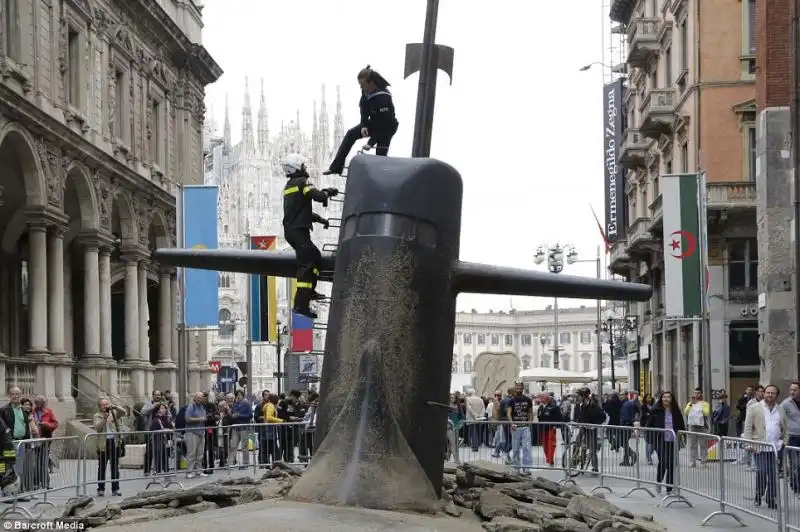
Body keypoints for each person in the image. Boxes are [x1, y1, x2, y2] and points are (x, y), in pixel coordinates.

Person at [282, 153, 338, 319]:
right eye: (303, 165)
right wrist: (328, 192)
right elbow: (318, 196)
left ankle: (310, 291)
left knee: (316, 258)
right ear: (296, 167)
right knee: (306, 265)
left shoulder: (290, 185)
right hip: (298, 232)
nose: (305, 168)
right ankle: (300, 305)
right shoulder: (302, 182)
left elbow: (301, 211)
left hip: (294, 231)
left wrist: (320, 220)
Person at [324, 65, 399, 176]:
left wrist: (370, 142)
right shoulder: (366, 92)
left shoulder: (384, 98)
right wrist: (364, 125)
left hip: (387, 127)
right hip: (373, 122)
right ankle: (336, 167)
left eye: (363, 85)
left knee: (380, 154)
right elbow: (364, 109)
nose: (361, 87)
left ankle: (381, 177)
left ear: (371, 83)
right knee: (351, 134)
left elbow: (383, 125)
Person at [743, 384, 787, 509]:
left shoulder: (781, 409)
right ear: (764, 394)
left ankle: (771, 498)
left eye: (772, 393)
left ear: (776, 396)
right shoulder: (754, 408)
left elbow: (785, 428)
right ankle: (758, 494)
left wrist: (784, 442)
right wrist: (748, 443)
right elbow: (748, 427)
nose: (769, 395)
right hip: (759, 447)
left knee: (773, 475)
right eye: (768, 392)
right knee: (761, 471)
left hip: (775, 448)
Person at [645, 391, 685, 494]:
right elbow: (648, 426)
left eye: (668, 397)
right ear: (661, 399)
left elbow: (681, 425)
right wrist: (650, 439)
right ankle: (658, 482)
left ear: (672, 399)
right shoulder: (656, 410)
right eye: (664, 397)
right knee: (663, 462)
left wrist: (682, 438)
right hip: (660, 441)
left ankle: (669, 488)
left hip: (673, 441)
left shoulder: (676, 411)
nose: (666, 399)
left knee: (671, 464)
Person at [92, 398, 126, 496]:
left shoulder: (114, 413)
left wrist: (115, 407)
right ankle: (101, 489)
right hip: (103, 444)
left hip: (114, 442)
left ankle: (115, 489)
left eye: (107, 404)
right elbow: (97, 428)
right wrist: (104, 419)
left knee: (115, 467)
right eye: (103, 405)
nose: (106, 406)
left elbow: (124, 412)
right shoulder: (97, 415)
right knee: (102, 467)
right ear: (100, 407)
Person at [573, 387, 605, 474]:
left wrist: (594, 425)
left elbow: (602, 417)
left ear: (584, 396)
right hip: (583, 427)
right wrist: (577, 421)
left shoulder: (593, 405)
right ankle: (575, 461)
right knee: (577, 443)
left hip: (591, 429)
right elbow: (581, 416)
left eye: (579, 395)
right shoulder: (581, 404)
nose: (578, 397)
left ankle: (595, 468)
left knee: (592, 449)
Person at [505, 381, 534, 475]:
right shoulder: (511, 401)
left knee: (526, 447)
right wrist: (511, 423)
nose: (519, 390)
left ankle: (526, 467)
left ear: (523, 389)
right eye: (517, 388)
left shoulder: (528, 400)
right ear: (515, 388)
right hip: (515, 427)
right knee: (515, 448)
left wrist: (529, 422)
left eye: (520, 388)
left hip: (525, 426)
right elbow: (509, 413)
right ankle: (517, 467)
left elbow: (530, 412)